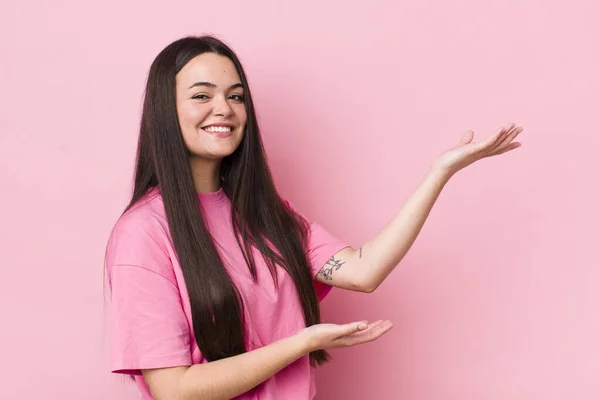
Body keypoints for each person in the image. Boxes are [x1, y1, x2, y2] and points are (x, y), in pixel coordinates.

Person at [104, 35, 523, 400]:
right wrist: (298, 344)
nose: (224, 109)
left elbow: (363, 270)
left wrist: (440, 172)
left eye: (235, 96)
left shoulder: (264, 213)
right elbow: (174, 391)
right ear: (165, 112)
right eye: (202, 95)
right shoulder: (143, 233)